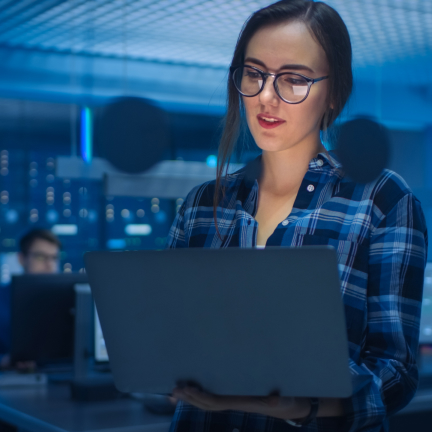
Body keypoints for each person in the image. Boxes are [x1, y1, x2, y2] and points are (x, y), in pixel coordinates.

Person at [165, 1, 428, 431]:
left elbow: (395, 374)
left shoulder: (382, 200)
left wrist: (297, 405)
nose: (266, 96)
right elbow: (167, 342)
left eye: (294, 80)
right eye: (254, 74)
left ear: (334, 94)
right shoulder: (200, 206)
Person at [0, 229, 61, 367]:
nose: (49, 264)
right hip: (11, 378)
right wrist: (4, 361)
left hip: (59, 375)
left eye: (54, 258)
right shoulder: (2, 298)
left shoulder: (66, 299)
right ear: (22, 259)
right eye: (41, 257)